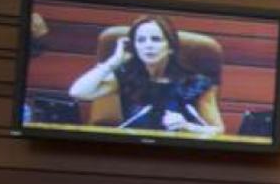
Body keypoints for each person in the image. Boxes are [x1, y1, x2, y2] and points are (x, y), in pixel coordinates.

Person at [68, 14, 224, 135]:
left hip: (178, 154)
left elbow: (218, 130)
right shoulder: (126, 77)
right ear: (134, 47)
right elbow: (78, 92)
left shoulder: (195, 83)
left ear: (170, 47)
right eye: (141, 40)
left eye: (155, 40)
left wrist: (188, 127)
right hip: (133, 152)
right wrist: (112, 63)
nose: (148, 45)